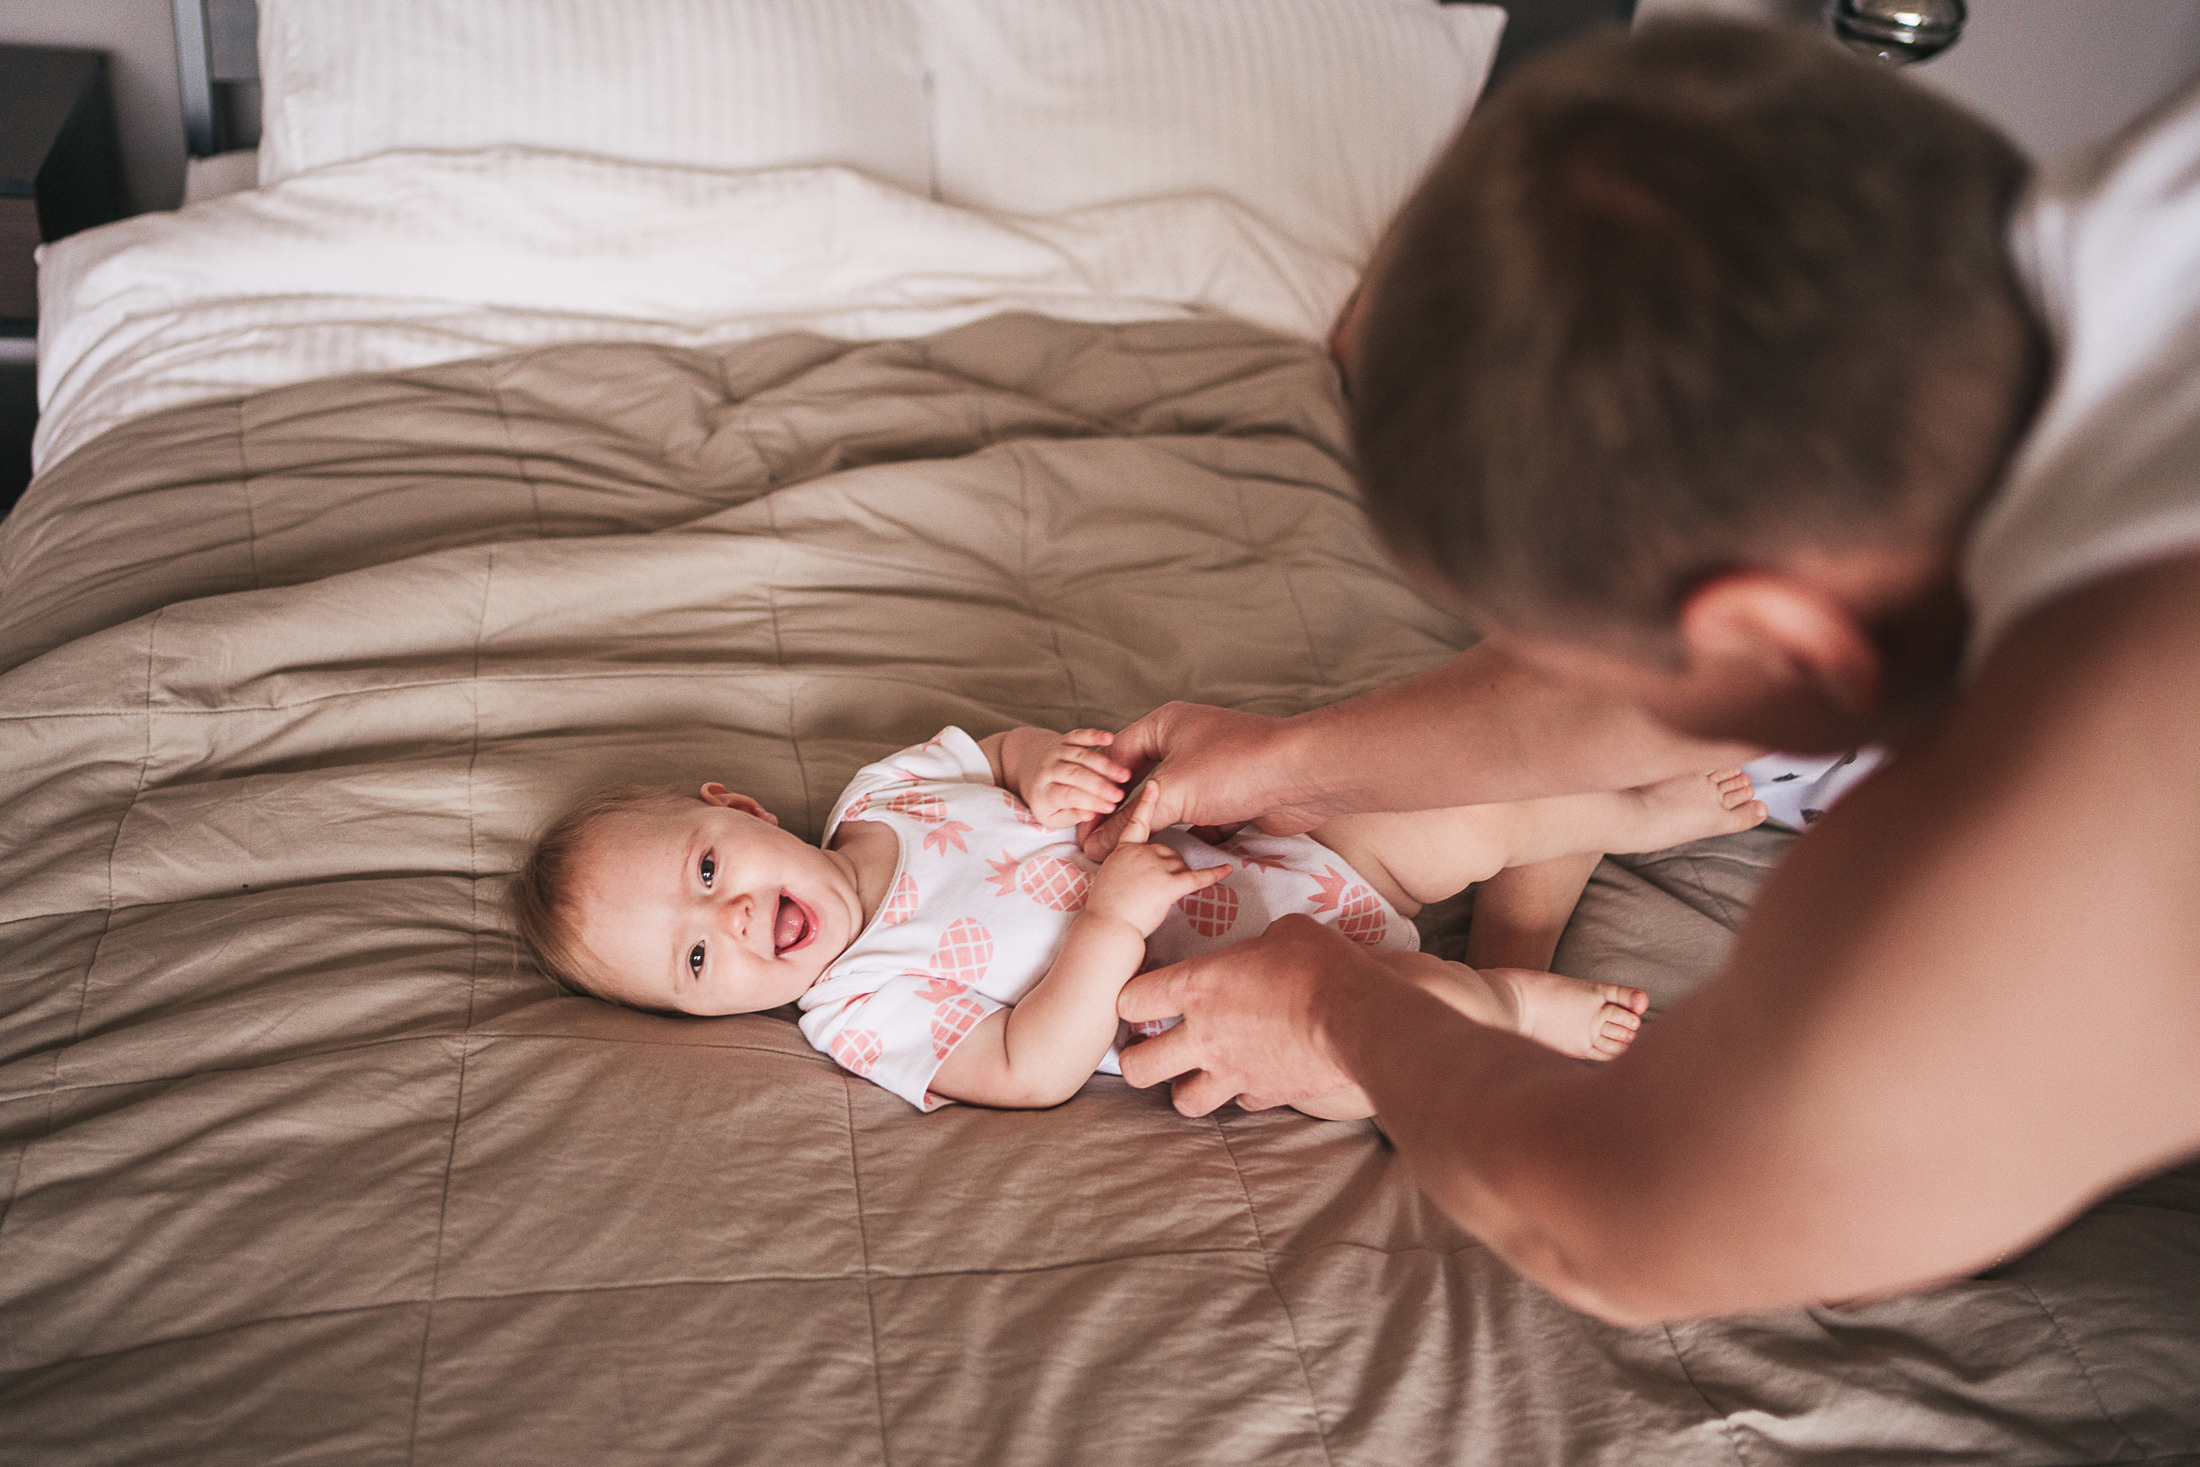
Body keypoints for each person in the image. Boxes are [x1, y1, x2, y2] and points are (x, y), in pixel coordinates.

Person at [1097, 19, 2200, 1324]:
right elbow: (1611, 701)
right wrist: (1292, 759)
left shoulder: (2102, 789)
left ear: (1780, 636)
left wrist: (1340, 1004)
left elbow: (1615, 1223)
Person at [510, 723, 1762, 1114]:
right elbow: (1024, 1068)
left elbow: (1005, 747)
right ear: (696, 1008)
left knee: (1489, 798)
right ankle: (1506, 1004)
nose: (728, 923)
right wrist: (1107, 928)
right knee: (1376, 1033)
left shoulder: (884, 791)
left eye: (708, 870)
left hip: (1289, 851)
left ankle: (1634, 815)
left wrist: (1055, 764)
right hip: (1236, 992)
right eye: (691, 957)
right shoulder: (853, 1008)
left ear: (735, 806)